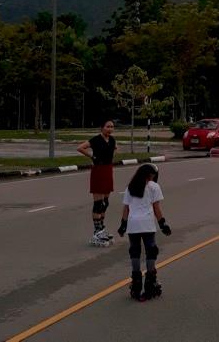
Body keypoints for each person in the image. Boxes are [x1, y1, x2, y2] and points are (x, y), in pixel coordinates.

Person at [117, 163, 172, 301]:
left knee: (134, 252)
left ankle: (136, 284)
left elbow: (126, 208)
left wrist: (123, 225)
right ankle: (150, 282)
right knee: (151, 251)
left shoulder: (130, 186)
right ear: (151, 175)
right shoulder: (154, 187)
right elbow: (156, 208)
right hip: (147, 225)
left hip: (133, 225)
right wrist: (163, 224)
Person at [77, 120, 118, 246]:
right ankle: (97, 231)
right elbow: (80, 147)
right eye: (107, 127)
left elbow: (115, 149)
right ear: (102, 128)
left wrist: (110, 159)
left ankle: (102, 229)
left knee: (105, 203)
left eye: (112, 127)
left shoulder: (112, 140)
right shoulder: (95, 139)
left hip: (108, 170)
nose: (110, 129)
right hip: (98, 170)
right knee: (98, 203)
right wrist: (92, 157)